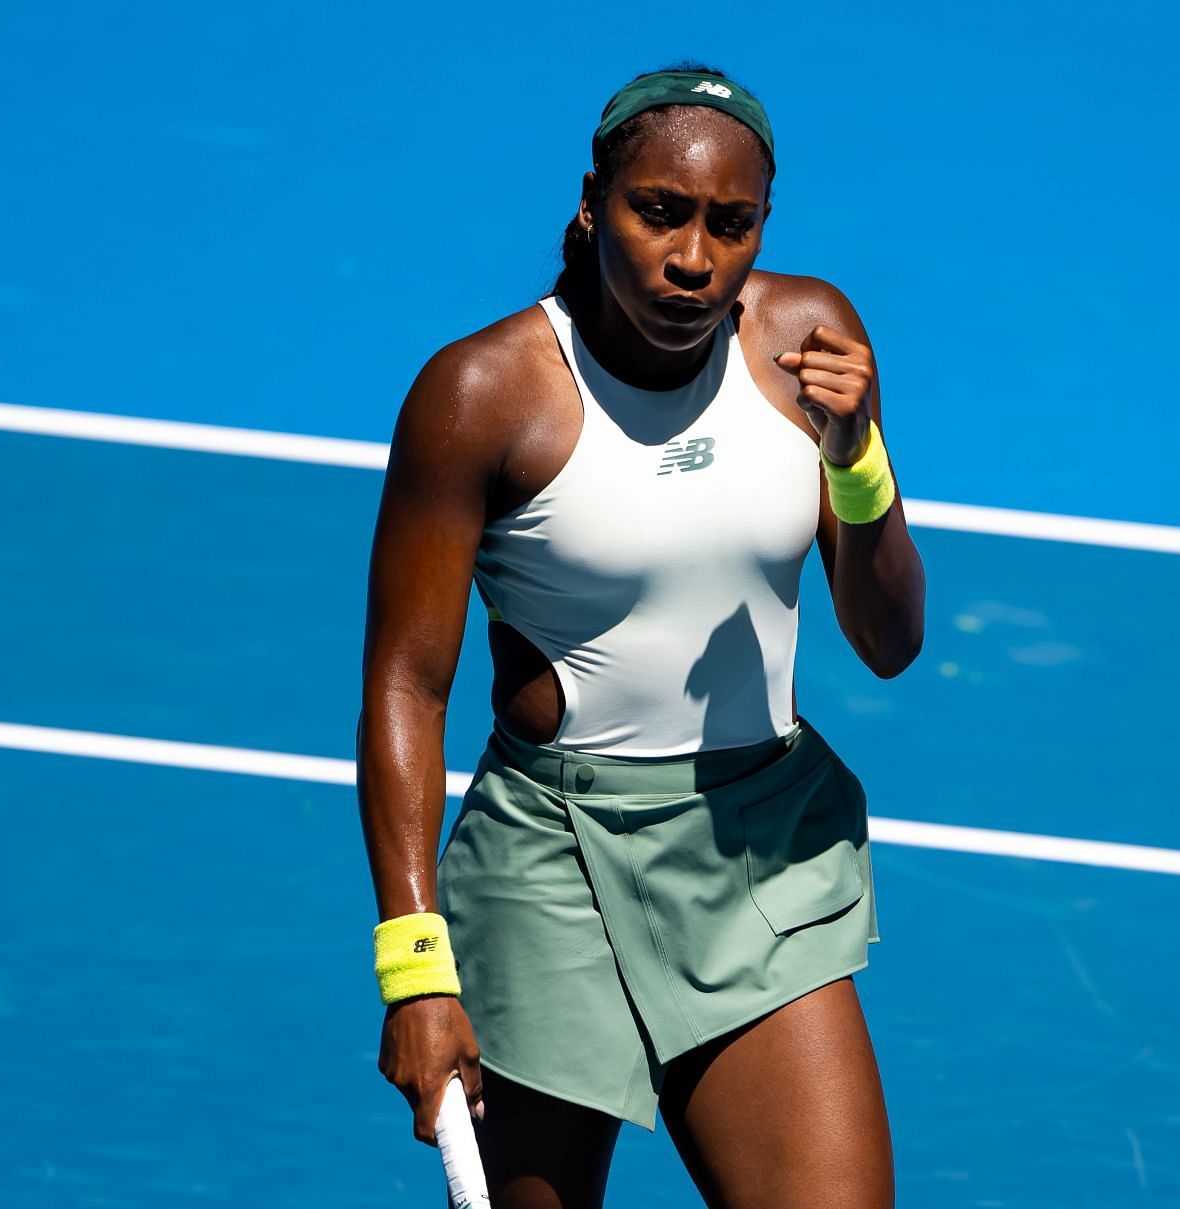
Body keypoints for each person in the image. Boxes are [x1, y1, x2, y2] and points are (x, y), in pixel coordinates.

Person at [358, 64, 926, 1207]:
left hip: (757, 853)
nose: (693, 259)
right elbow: (407, 687)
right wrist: (416, 971)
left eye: (732, 224)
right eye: (657, 211)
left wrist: (857, 458)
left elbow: (890, 638)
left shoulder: (812, 345)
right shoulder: (482, 394)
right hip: (548, 868)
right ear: (592, 202)